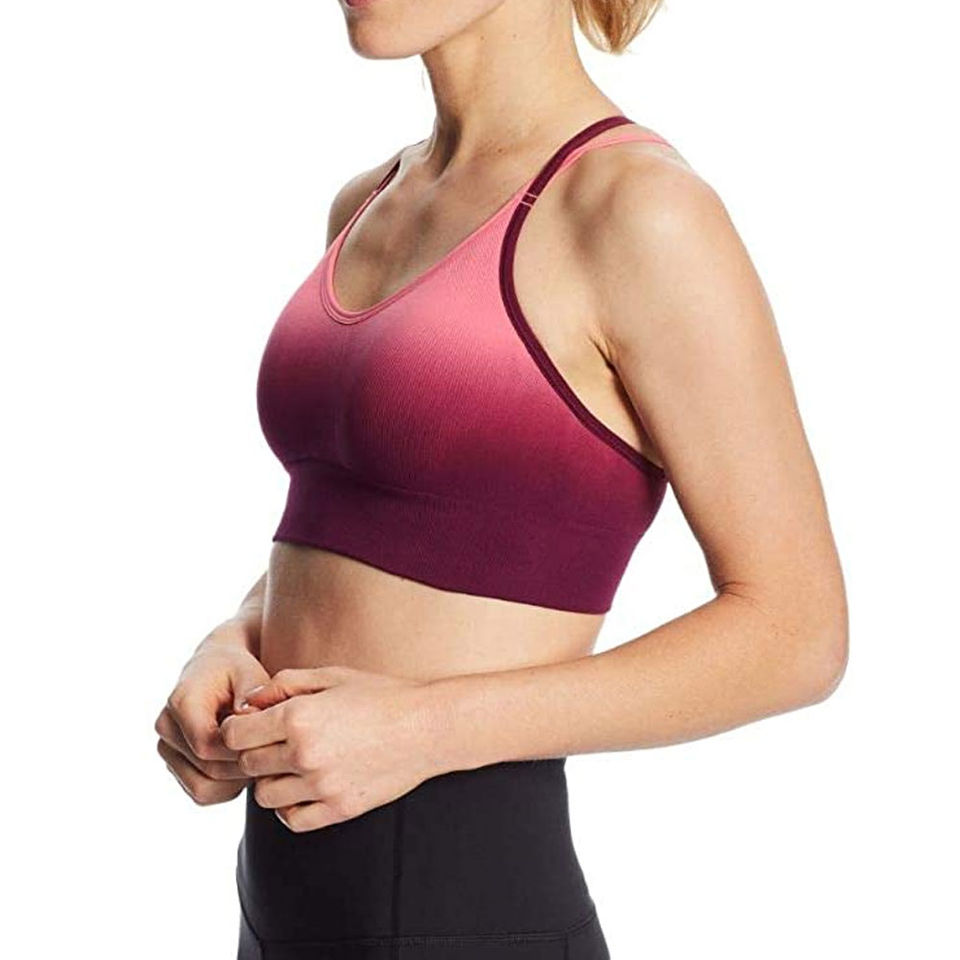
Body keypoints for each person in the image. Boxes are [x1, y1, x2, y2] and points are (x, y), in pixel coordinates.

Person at [154, 1, 848, 957]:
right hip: (278, 911)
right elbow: (357, 529)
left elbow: (798, 633)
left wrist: (422, 729)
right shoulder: (368, 202)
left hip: (471, 915)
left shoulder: (637, 212)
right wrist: (233, 640)